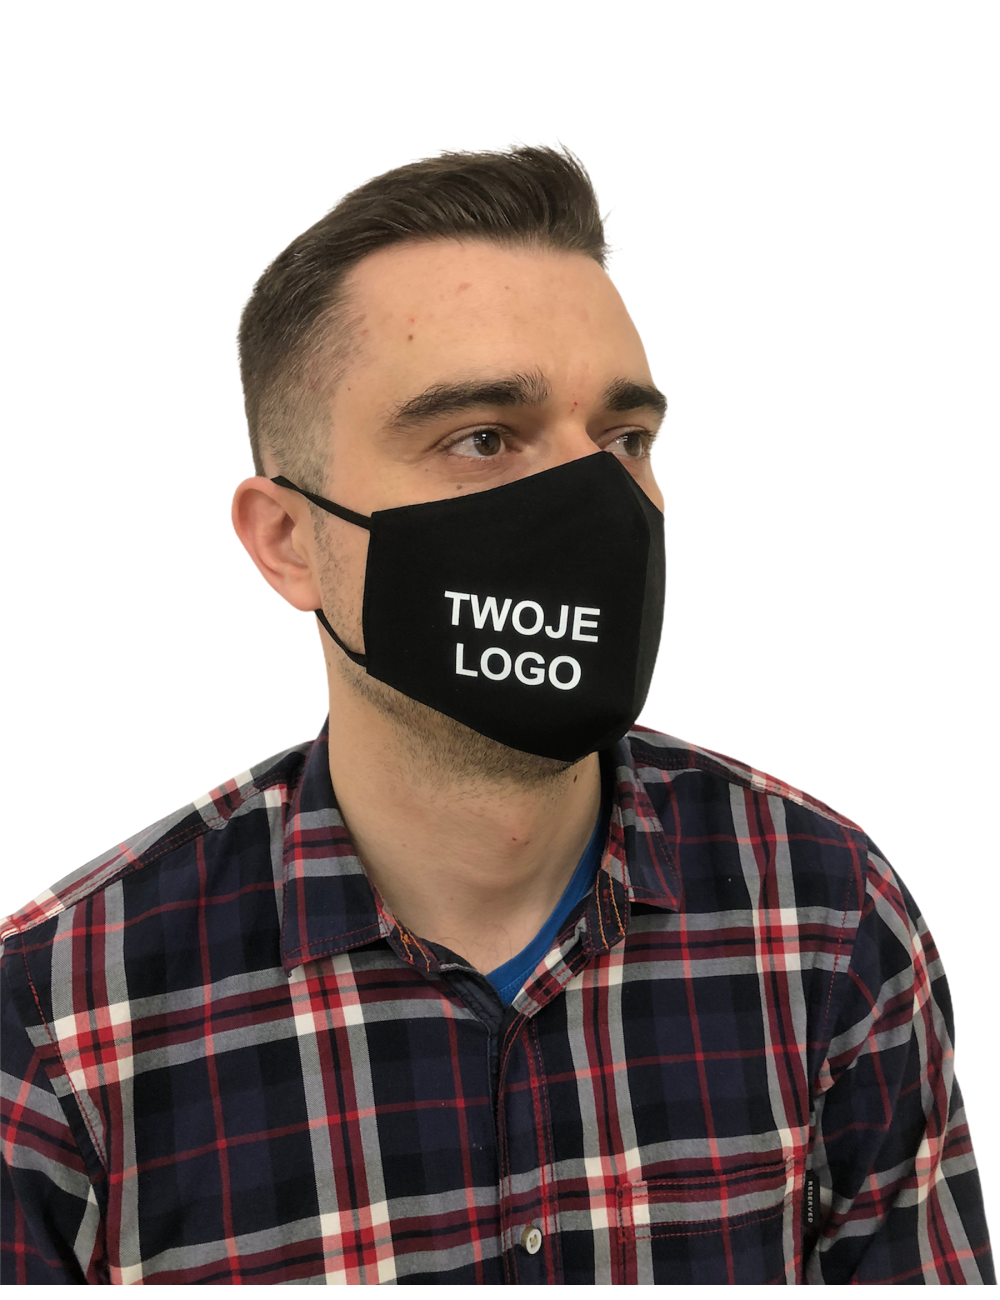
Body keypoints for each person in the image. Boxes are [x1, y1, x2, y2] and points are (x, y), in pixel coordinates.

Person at [0, 146, 992, 1287]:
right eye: (482, 437)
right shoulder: (61, 1023)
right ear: (288, 540)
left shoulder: (824, 918)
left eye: (624, 440)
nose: (595, 504)